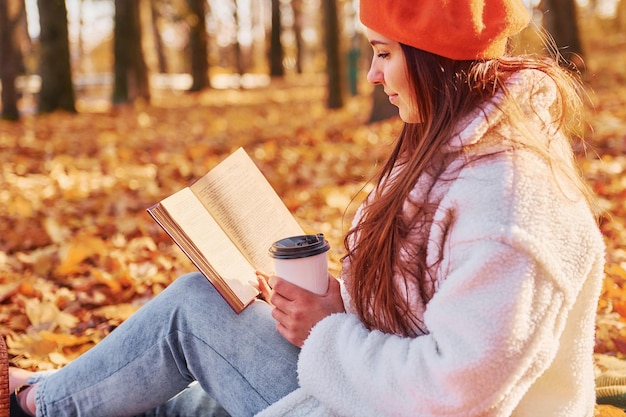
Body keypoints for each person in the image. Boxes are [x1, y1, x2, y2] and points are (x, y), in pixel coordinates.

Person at [9, 0, 606, 415]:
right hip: (371, 391)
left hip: (392, 402)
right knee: (163, 399)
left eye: (383, 53)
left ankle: (30, 402)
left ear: (432, 58)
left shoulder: (508, 204)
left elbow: (461, 393)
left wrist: (328, 329)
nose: (372, 75)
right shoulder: (460, 151)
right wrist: (343, 300)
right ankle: (49, 395)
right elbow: (433, 312)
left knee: (193, 312)